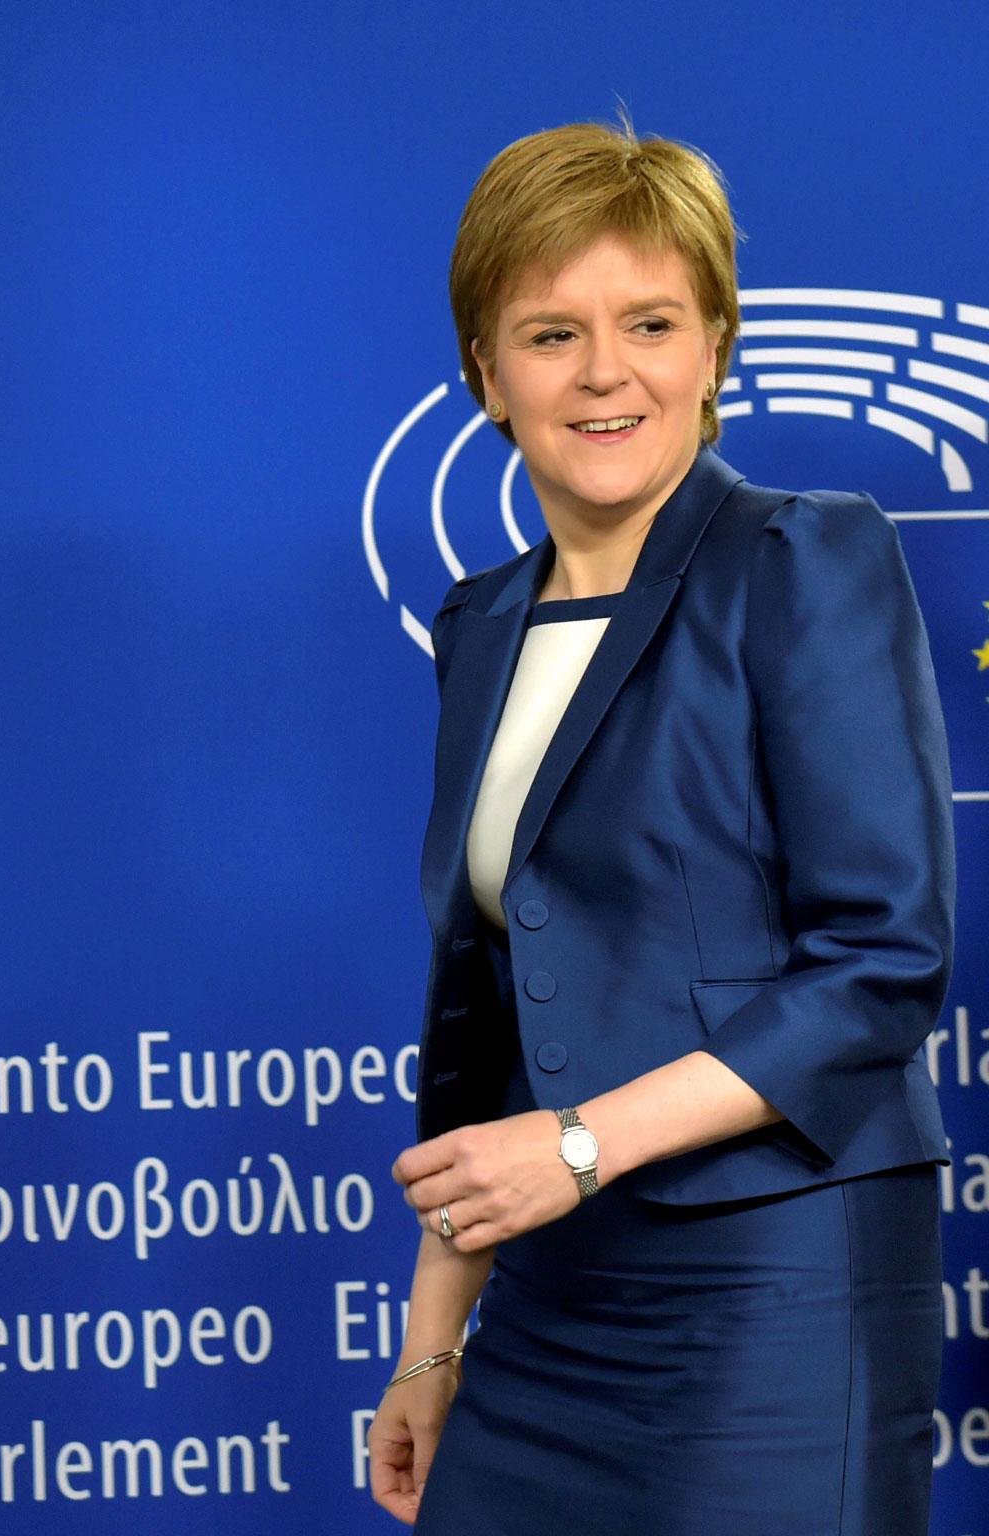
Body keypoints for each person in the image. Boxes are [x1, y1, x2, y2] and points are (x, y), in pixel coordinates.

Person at [367, 118, 957, 1534]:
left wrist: (576, 1147)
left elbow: (880, 961)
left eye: (651, 322)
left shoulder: (802, 560)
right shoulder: (482, 624)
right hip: (556, 1291)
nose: (606, 372)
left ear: (715, 350)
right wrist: (433, 1338)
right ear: (485, 377)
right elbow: (498, 1010)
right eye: (551, 333)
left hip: (778, 1286)